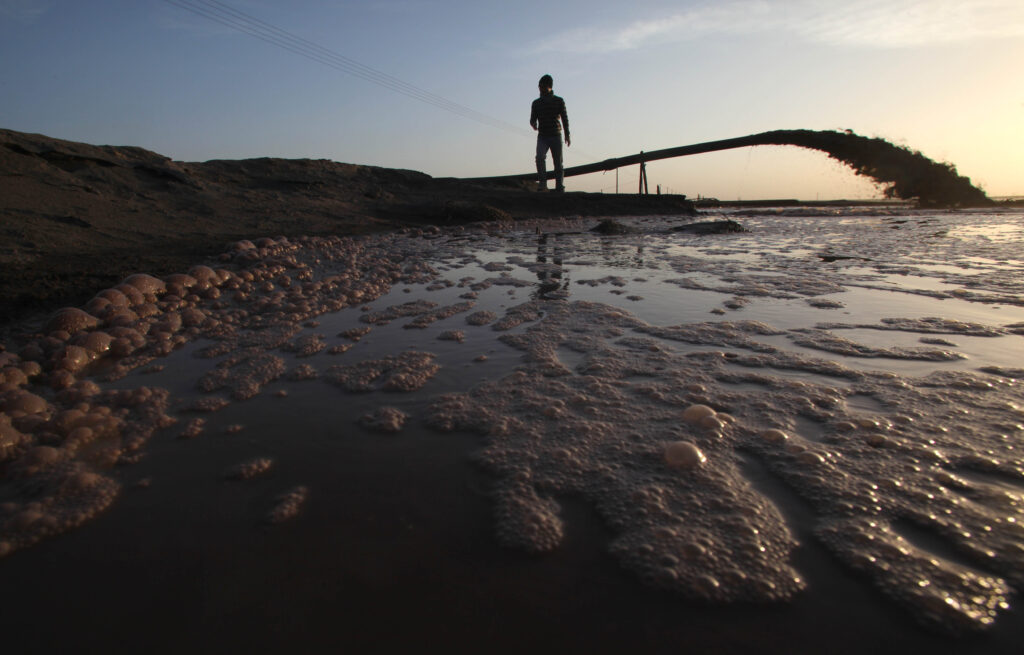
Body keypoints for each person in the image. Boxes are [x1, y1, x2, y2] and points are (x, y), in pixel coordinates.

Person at [530, 74, 570, 192]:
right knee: (540, 157)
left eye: (542, 87)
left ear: (549, 87)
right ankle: (542, 184)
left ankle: (559, 186)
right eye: (539, 87)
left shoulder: (559, 101)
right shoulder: (536, 103)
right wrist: (533, 123)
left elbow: (564, 118)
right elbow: (532, 118)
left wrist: (567, 133)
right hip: (542, 136)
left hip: (555, 135)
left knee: (558, 162)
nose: (540, 89)